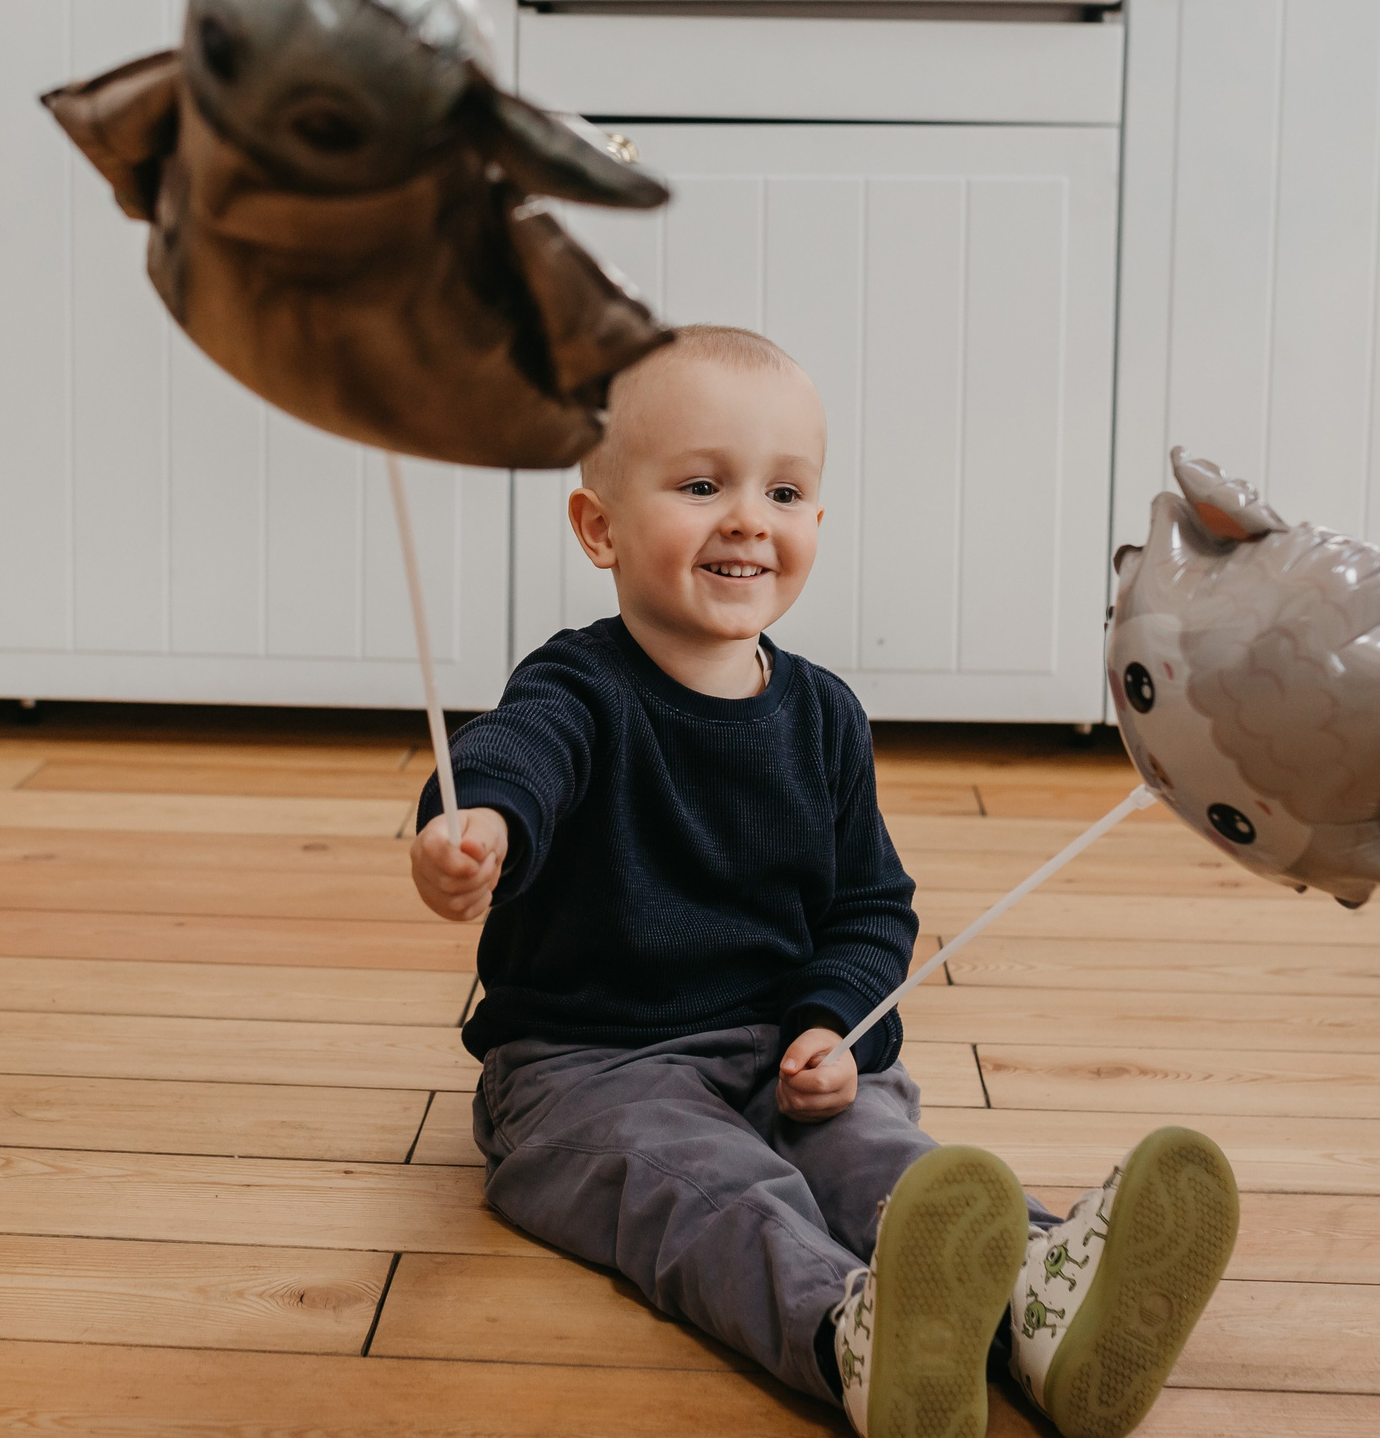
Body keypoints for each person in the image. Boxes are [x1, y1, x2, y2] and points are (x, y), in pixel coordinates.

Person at [409, 325, 1239, 1438]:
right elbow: (518, 753)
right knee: (713, 1195)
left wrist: (836, 1028)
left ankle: (1041, 1301)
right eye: (702, 485)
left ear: (816, 520)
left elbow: (867, 907)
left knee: (882, 1159)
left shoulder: (825, 716)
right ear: (599, 528)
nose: (749, 518)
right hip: (589, 1071)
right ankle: (848, 1335)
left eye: (786, 492)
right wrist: (477, 825)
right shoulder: (577, 687)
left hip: (772, 1046)